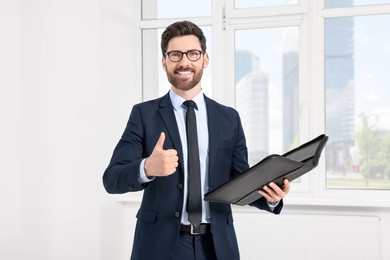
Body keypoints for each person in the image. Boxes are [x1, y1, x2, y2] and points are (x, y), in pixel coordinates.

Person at [103, 20, 290, 260]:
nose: (184, 62)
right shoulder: (144, 115)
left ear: (205, 59)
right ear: (164, 62)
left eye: (192, 54)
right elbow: (111, 179)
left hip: (216, 245)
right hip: (159, 246)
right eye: (175, 55)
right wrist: (147, 167)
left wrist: (270, 198)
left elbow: (239, 179)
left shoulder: (229, 118)